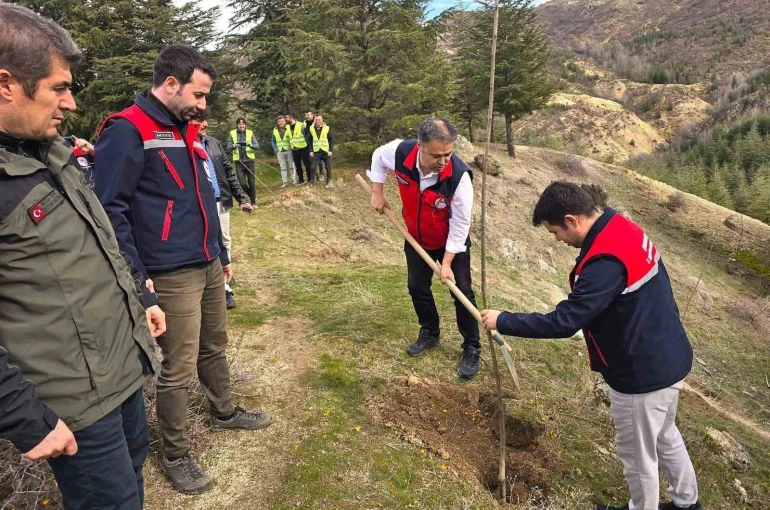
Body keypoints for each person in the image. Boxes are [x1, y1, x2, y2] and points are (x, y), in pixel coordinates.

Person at [0, 4, 164, 508]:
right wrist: (23, 417)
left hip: (120, 369)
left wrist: (139, 296)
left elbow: (97, 239)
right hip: (71, 404)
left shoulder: (49, 153)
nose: (70, 103)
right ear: (6, 84)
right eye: (58, 87)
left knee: (133, 478)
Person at [94, 45, 273, 495]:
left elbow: (199, 197)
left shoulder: (186, 128)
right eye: (198, 93)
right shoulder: (127, 130)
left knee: (215, 344)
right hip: (170, 271)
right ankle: (175, 454)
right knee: (177, 365)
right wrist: (140, 280)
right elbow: (110, 211)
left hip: (208, 259)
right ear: (170, 84)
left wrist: (222, 254)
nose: (203, 105)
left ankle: (225, 412)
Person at [481, 182, 700, 510]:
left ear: (572, 220)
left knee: (637, 456)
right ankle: (687, 503)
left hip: (641, 375)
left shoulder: (605, 261)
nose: (558, 239)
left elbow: (564, 322)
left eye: (556, 232)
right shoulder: (619, 226)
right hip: (668, 356)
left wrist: (504, 321)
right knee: (664, 434)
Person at [368, 117, 481, 379]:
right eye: (436, 155)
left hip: (451, 240)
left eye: (448, 154)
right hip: (416, 237)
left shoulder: (459, 178)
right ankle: (430, 332)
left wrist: (448, 263)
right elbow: (377, 157)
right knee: (417, 287)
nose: (443, 161)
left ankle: (472, 346)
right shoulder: (400, 152)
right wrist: (377, 191)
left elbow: (461, 224)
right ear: (420, 146)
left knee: (462, 292)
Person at [198, 115, 253, 309]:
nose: (205, 123)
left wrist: (242, 198)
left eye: (205, 120)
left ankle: (226, 275)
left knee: (225, 240)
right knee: (212, 242)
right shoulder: (185, 146)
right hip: (201, 204)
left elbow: (228, 172)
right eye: (199, 120)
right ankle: (223, 290)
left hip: (221, 201)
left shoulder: (213, 143)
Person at [226, 116, 259, 204]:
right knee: (242, 183)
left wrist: (250, 145)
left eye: (243, 124)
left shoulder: (250, 133)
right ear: (237, 125)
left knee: (252, 183)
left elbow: (257, 146)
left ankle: (253, 202)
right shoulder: (232, 133)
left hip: (250, 161)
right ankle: (253, 196)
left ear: (245, 125)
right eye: (239, 124)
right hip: (239, 162)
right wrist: (233, 146)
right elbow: (228, 148)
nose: (241, 126)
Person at [309, 114, 334, 188]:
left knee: (328, 167)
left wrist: (330, 150)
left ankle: (328, 182)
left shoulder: (327, 128)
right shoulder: (311, 128)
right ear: (314, 120)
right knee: (313, 167)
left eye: (319, 119)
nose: (318, 121)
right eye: (316, 120)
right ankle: (312, 182)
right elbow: (310, 140)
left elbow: (331, 140)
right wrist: (311, 150)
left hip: (325, 151)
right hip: (316, 151)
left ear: (322, 120)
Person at [286, 113, 312, 184]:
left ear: (291, 117)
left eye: (287, 118)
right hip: (294, 149)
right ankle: (301, 180)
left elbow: (307, 136)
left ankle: (310, 179)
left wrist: (309, 148)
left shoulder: (301, 125)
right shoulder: (287, 127)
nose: (286, 119)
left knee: (307, 164)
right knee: (298, 165)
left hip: (303, 148)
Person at [271, 115, 296, 188]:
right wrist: (275, 150)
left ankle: (293, 180)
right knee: (283, 167)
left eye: (282, 121)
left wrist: (293, 147)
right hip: (280, 151)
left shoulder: (289, 127)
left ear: (285, 121)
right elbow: (273, 140)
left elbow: (293, 137)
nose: (280, 123)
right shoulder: (275, 129)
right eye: (279, 121)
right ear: (277, 122)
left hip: (289, 150)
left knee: (291, 166)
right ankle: (285, 182)